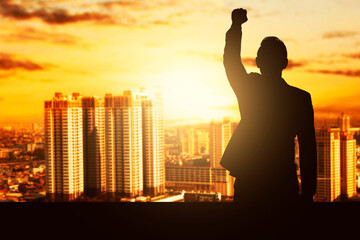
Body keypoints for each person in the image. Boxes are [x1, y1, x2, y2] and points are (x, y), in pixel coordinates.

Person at [221, 8, 317, 213]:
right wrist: (308, 194)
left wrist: (236, 26)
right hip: (281, 182)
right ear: (285, 63)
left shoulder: (249, 88)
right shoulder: (299, 98)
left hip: (252, 179)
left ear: (258, 62)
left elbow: (231, 61)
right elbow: (308, 149)